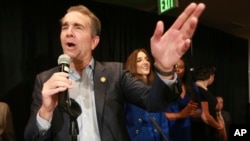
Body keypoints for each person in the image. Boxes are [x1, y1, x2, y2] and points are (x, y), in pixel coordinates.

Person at [24, 3, 206, 141]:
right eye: (65, 27)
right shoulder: (45, 80)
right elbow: (31, 137)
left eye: (77, 27)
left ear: (94, 42)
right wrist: (45, 111)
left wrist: (165, 69)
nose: (68, 33)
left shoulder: (115, 73)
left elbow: (154, 102)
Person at [124, 48, 169, 141]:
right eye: (139, 60)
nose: (145, 62)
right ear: (132, 65)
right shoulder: (126, 91)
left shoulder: (156, 89)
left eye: (147, 59)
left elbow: (163, 121)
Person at [165, 58, 200, 141]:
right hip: (168, 132)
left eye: (181, 67)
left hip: (186, 132)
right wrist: (180, 114)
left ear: (185, 70)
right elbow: (157, 115)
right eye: (175, 66)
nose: (177, 69)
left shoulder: (192, 87)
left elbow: (200, 111)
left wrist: (194, 112)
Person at [191, 65, 226, 141]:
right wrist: (218, 126)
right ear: (210, 76)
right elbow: (206, 116)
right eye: (213, 76)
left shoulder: (195, 89)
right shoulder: (201, 91)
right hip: (203, 131)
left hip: (202, 129)